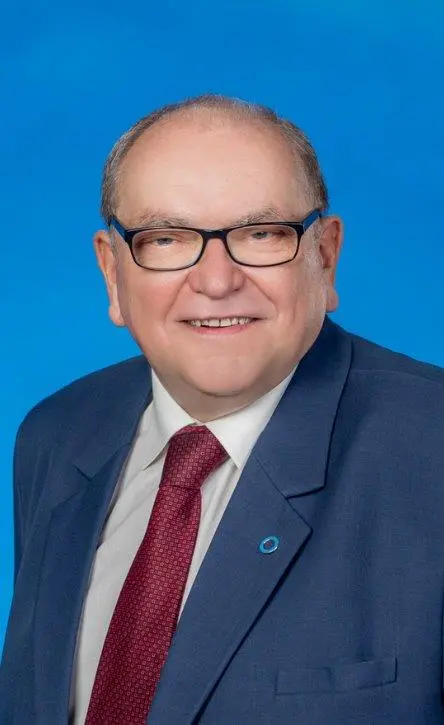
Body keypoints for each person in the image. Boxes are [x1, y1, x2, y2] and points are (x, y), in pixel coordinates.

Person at [1, 93, 444, 725]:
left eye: (262, 234)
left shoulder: (431, 449)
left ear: (325, 256)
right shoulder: (56, 435)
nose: (216, 280)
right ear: (112, 272)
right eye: (165, 238)